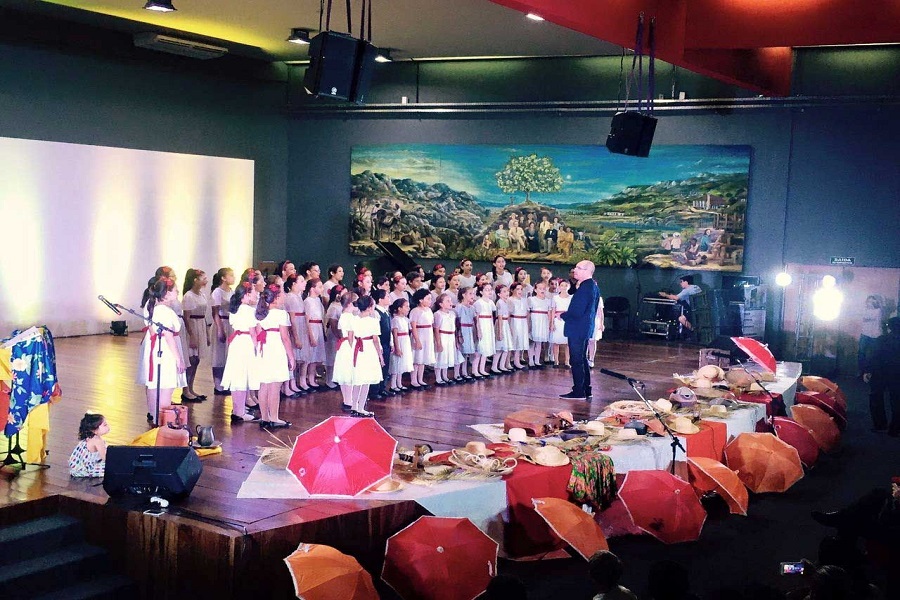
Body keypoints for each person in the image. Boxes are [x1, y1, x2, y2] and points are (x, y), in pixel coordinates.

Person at [138, 276, 186, 425]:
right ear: (166, 294)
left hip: (157, 347)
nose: (178, 292)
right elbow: (168, 336)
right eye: (175, 290)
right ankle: (164, 421)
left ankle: (155, 416)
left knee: (154, 385)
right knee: (166, 384)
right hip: (165, 350)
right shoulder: (164, 311)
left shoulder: (155, 307)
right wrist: (178, 359)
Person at [220, 278, 261, 423]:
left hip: (237, 342)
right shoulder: (248, 310)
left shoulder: (235, 309)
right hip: (246, 343)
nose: (256, 295)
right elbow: (253, 333)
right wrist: (257, 349)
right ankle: (240, 412)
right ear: (246, 295)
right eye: (254, 292)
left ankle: (238, 409)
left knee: (237, 376)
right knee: (243, 376)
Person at [559, 260, 600, 401]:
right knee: (582, 359)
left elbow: (577, 312)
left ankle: (578, 391)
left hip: (577, 328)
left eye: (578, 268)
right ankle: (586, 389)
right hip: (584, 327)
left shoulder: (585, 288)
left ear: (587, 271)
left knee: (576, 360)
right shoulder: (592, 286)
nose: (575, 270)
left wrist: (562, 315)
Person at [254, 284, 294, 429]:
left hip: (264, 349)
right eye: (282, 294)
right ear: (276, 298)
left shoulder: (260, 314)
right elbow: (285, 338)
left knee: (264, 384)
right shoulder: (281, 314)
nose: (284, 296)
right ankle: (274, 417)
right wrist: (291, 356)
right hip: (276, 349)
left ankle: (265, 417)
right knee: (275, 385)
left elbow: (258, 333)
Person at [347, 296, 384, 417]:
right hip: (368, 349)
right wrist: (380, 355)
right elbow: (375, 340)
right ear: (369, 307)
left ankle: (354, 406)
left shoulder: (353, 319)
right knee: (366, 380)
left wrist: (353, 349)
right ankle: (361, 407)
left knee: (358, 379)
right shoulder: (373, 321)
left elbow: (350, 337)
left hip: (357, 349)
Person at [863, 316, 900, 435]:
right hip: (897, 373)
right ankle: (895, 428)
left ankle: (880, 424)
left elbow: (874, 356)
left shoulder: (882, 340)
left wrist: (868, 371)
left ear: (889, 327)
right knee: (896, 400)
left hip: (880, 372)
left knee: (876, 398)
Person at [181, 268, 210, 402]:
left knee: (196, 360)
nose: (206, 281)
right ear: (195, 280)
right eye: (203, 278)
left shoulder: (202, 294)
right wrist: (192, 335)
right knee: (191, 359)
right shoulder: (189, 296)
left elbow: (204, 315)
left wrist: (207, 333)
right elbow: (186, 318)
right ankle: (185, 390)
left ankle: (191, 388)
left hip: (201, 325)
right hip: (192, 326)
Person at [210, 267, 235, 395]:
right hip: (221, 322)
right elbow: (215, 312)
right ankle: (217, 383)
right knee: (218, 354)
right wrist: (220, 329)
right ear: (223, 278)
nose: (233, 278)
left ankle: (226, 382)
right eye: (230, 275)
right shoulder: (217, 292)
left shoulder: (232, 291)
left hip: (230, 323)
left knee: (228, 354)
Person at [302, 278, 327, 390]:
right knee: (309, 356)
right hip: (312, 327)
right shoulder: (307, 301)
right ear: (312, 288)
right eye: (319, 287)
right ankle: (304, 380)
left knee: (316, 356)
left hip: (319, 326)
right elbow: (306, 320)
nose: (322, 289)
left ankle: (312, 379)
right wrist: (311, 335)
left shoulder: (318, 300)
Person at [409, 289, 435, 390]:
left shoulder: (429, 310)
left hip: (427, 335)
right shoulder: (415, 311)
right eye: (428, 299)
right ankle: (413, 380)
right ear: (420, 300)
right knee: (417, 359)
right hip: (419, 335)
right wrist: (417, 340)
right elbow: (413, 327)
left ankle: (420, 379)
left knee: (423, 359)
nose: (430, 301)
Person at [69, 413, 109, 478]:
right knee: (112, 470)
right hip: (87, 468)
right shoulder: (98, 441)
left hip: (79, 466)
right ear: (95, 430)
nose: (108, 427)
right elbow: (105, 459)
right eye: (105, 425)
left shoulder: (90, 437)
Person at [371, 288, 393, 399]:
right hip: (380, 343)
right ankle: (374, 391)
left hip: (386, 343)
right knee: (378, 366)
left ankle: (382, 388)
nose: (389, 298)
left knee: (385, 367)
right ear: (380, 299)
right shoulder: (376, 312)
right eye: (387, 296)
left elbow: (389, 329)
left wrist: (391, 342)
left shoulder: (386, 312)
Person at [433, 292, 458, 385]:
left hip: (450, 337)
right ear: (441, 304)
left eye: (450, 301)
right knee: (440, 357)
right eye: (447, 301)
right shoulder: (438, 314)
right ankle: (438, 378)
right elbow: (436, 329)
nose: (450, 302)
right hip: (442, 336)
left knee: (447, 357)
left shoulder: (452, 314)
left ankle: (445, 376)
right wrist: (438, 343)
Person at [457, 287, 482, 379]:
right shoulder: (459, 307)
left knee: (466, 353)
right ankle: (457, 373)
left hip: (469, 330)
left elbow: (476, 321)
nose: (473, 296)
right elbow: (457, 322)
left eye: (473, 293)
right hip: (462, 330)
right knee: (461, 352)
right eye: (470, 293)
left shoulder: (472, 308)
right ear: (464, 295)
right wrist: (459, 334)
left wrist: (478, 331)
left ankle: (464, 372)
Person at [389, 298, 413, 394]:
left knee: (402, 363)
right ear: (399, 308)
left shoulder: (406, 319)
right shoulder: (395, 319)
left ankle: (399, 383)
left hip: (405, 341)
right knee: (397, 363)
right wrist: (397, 348)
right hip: (399, 342)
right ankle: (393, 385)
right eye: (406, 306)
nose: (408, 308)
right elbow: (395, 335)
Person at [474, 283, 497, 378]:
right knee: (480, 348)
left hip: (488, 326)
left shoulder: (491, 302)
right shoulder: (478, 303)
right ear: (481, 292)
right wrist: (479, 330)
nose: (489, 291)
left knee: (486, 348)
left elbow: (491, 316)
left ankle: (482, 369)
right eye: (486, 290)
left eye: (490, 289)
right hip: (482, 325)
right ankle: (475, 370)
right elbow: (477, 318)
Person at [528, 281, 551, 368]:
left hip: (543, 321)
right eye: (540, 288)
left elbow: (549, 313)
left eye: (544, 289)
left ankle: (537, 361)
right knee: (532, 341)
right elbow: (528, 313)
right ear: (535, 290)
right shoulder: (531, 299)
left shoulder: (548, 301)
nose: (542, 290)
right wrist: (528, 323)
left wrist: (550, 323)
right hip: (534, 321)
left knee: (539, 342)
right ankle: (531, 361)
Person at [859, 295, 884, 376]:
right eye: (868, 301)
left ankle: (871, 372)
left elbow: (867, 317)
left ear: (875, 302)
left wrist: (866, 313)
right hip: (865, 333)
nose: (870, 303)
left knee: (873, 354)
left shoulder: (878, 310)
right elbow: (863, 316)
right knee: (861, 353)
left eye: (872, 301)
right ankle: (862, 371)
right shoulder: (865, 309)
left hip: (875, 335)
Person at [549, 278, 572, 368]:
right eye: (562, 285)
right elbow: (553, 311)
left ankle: (567, 361)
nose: (564, 287)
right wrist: (552, 323)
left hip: (567, 321)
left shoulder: (571, 298)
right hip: (557, 321)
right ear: (559, 287)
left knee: (567, 342)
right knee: (556, 342)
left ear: (569, 286)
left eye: (566, 285)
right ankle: (556, 361)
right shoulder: (555, 298)